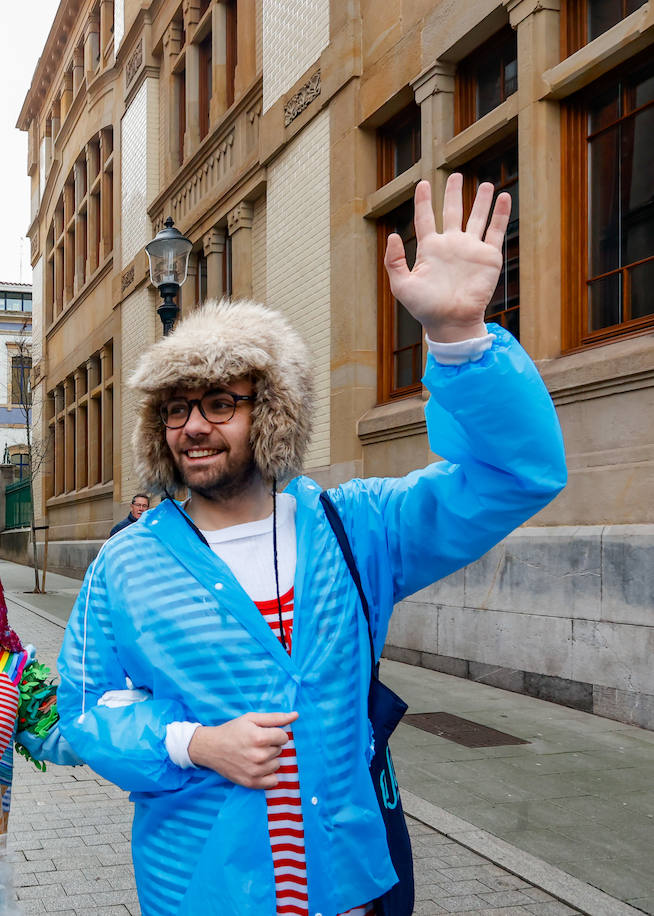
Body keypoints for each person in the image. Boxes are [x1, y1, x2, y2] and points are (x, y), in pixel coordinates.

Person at [57, 175, 566, 916]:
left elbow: (514, 476)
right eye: (175, 408)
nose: (193, 426)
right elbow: (84, 708)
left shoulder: (355, 528)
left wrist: (460, 341)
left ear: (271, 414)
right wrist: (194, 742)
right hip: (201, 890)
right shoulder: (127, 564)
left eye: (220, 402)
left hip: (349, 886)